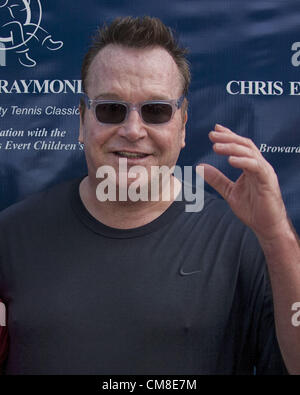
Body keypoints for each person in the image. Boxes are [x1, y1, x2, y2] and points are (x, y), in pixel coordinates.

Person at [0, 16, 299, 375]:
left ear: (183, 125)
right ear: (82, 120)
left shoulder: (242, 240)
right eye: (111, 109)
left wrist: (277, 236)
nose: (132, 130)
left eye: (156, 111)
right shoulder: (11, 235)